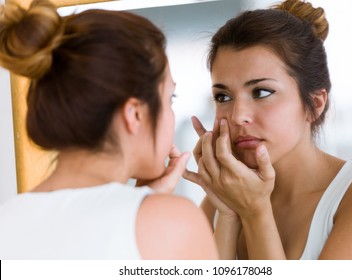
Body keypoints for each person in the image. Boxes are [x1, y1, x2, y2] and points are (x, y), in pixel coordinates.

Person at [0, 0, 218, 260]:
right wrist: (146, 209)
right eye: (170, 98)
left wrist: (142, 204)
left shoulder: (8, 220)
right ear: (134, 114)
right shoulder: (173, 223)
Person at [184, 0, 352, 260]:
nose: (238, 116)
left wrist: (255, 212)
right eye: (223, 97)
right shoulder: (221, 200)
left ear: (315, 104)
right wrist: (228, 215)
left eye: (261, 92)